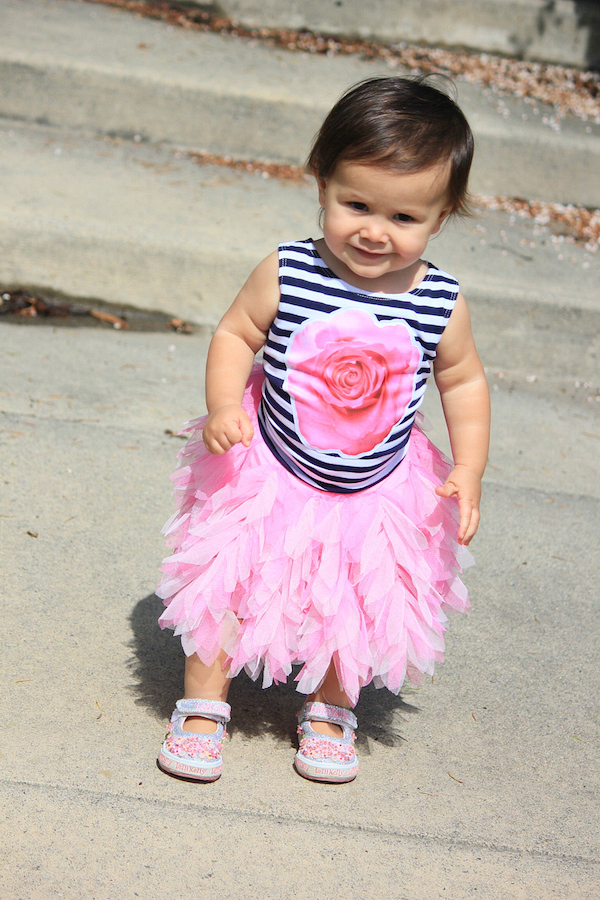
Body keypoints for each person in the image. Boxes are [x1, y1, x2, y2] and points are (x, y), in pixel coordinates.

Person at [156, 76, 490, 784]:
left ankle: (332, 709)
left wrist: (468, 467)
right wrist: (224, 405)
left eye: (404, 217)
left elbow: (462, 382)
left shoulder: (439, 301)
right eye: (356, 204)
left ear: (442, 214)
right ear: (321, 183)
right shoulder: (290, 268)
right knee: (230, 586)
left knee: (355, 603)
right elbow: (235, 332)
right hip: (271, 472)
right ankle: (201, 704)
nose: (373, 230)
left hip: (375, 491)